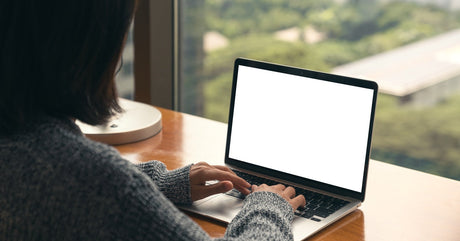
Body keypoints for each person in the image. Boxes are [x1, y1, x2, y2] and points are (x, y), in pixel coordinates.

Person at [0, 1, 306, 240]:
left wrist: (161, 183)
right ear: (88, 45)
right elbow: (85, 185)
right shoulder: (91, 181)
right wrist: (267, 206)